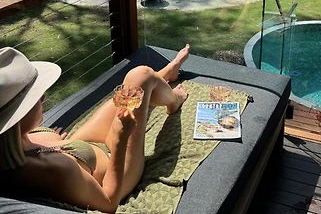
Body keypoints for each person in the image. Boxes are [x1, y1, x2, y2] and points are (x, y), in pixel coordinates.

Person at [0, 45, 189, 213]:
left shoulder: (11, 147)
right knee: (141, 76)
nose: (43, 98)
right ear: (16, 118)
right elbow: (108, 203)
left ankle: (164, 75)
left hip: (80, 148)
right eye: (36, 97)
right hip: (117, 169)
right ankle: (174, 100)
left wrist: (53, 140)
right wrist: (119, 139)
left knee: (134, 87)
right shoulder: (54, 170)